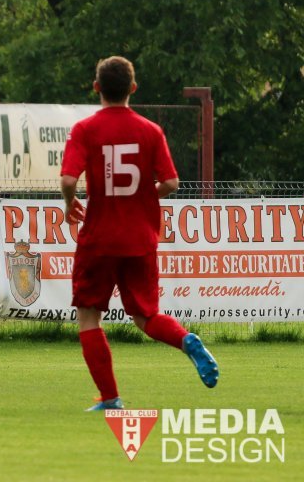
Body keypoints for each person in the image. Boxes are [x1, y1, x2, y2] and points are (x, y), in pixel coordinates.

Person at [60, 56, 219, 412]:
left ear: (97, 87)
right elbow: (172, 183)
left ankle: (110, 397)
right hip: (140, 238)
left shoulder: (85, 129)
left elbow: (69, 179)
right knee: (146, 317)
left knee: (89, 316)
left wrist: (70, 202)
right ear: (133, 88)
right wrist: (143, 194)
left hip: (99, 239)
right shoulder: (150, 131)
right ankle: (186, 340)